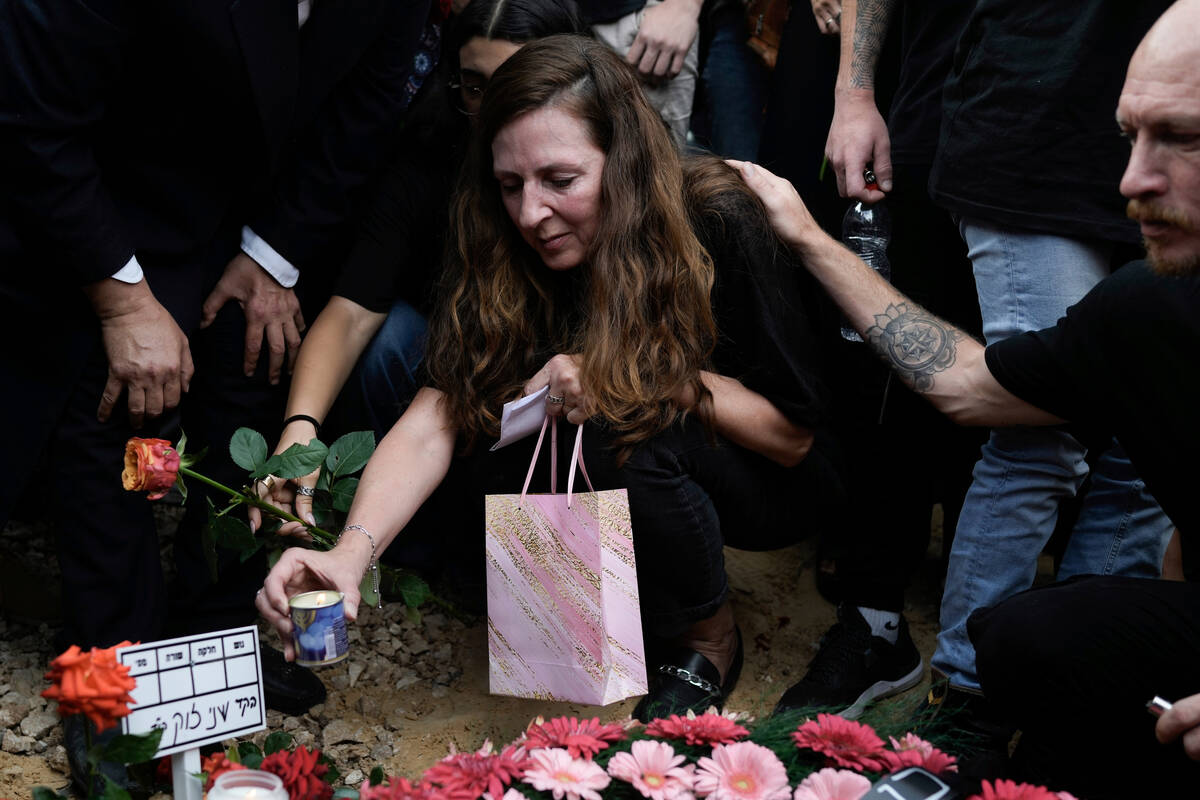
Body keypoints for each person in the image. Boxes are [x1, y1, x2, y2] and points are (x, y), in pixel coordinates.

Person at [257, 34, 841, 721]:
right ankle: (599, 604)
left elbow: (794, 442)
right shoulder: (503, 241)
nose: (531, 213)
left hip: (766, 479)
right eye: (510, 185)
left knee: (619, 420)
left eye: (560, 181)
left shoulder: (717, 215)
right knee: (516, 415)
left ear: (622, 161)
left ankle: (708, 638)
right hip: (638, 467)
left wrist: (639, 374)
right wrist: (350, 556)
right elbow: (434, 416)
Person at [733, 0, 1200, 792]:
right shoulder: (1145, 307)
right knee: (1054, 457)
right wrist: (810, 233)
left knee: (1130, 462)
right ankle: (971, 709)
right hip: (1024, 130)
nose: (1135, 179)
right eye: (1134, 139)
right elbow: (973, 388)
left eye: (1182, 138)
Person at [0, 0, 432, 788]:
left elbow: (363, 110)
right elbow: (32, 119)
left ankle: (215, 643)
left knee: (258, 364)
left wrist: (273, 256)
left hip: (256, 211)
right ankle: (111, 683)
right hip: (99, 194)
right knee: (119, 413)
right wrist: (124, 301)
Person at [921, 0, 1175, 720]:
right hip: (1035, 128)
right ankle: (965, 699)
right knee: (1041, 436)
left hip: (1174, 148)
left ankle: (1084, 686)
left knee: (1146, 450)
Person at [250, 0, 585, 535]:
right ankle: (402, 527)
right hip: (462, 369)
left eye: (517, 87)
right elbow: (354, 309)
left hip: (580, 377)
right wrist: (300, 431)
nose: (492, 110)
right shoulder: (433, 156)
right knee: (393, 339)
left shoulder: (615, 163)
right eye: (476, 86)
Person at [768, 0, 983, 721]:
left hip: (1075, 135)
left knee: (1029, 388)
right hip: (932, 103)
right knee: (888, 354)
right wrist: (855, 95)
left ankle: (990, 644)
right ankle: (875, 622)